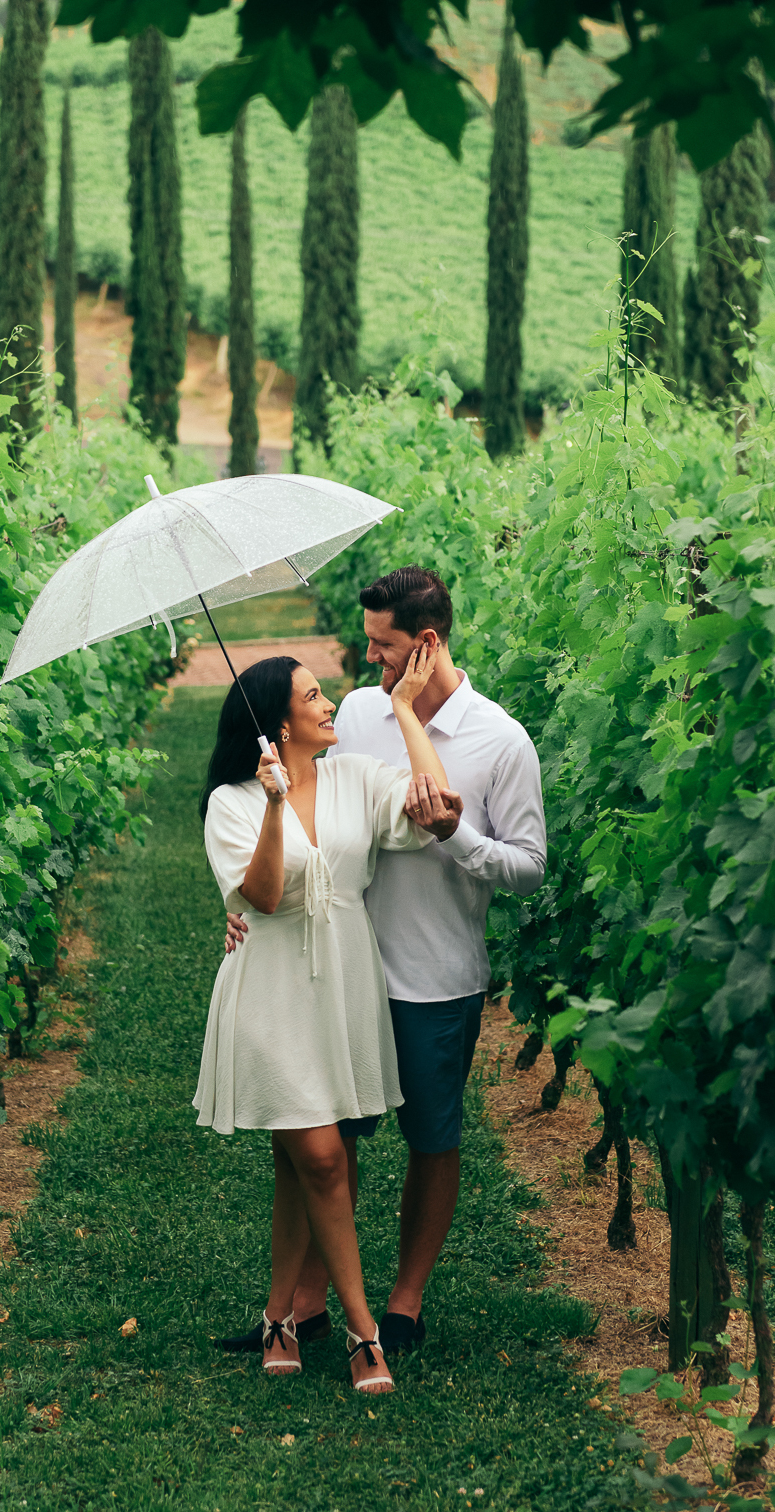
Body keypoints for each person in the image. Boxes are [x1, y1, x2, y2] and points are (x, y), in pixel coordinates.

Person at [222, 566, 547, 1358]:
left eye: (383, 646)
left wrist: (457, 841)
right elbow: (298, 818)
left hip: (436, 976)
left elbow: (529, 868)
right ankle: (305, 1304)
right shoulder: (360, 715)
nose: (366, 662)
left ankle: (402, 1302)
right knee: (322, 1141)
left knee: (430, 1140)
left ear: (425, 645)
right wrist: (244, 911)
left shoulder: (499, 741)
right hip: (335, 971)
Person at [194, 646, 463, 1393]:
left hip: (343, 981)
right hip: (270, 989)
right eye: (314, 696)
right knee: (320, 1156)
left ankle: (280, 1318)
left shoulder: (355, 778)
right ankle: (361, 1329)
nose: (330, 703)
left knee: (297, 1160)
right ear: (280, 722)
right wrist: (276, 804)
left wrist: (406, 709)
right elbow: (266, 897)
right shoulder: (233, 803)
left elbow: (432, 801)